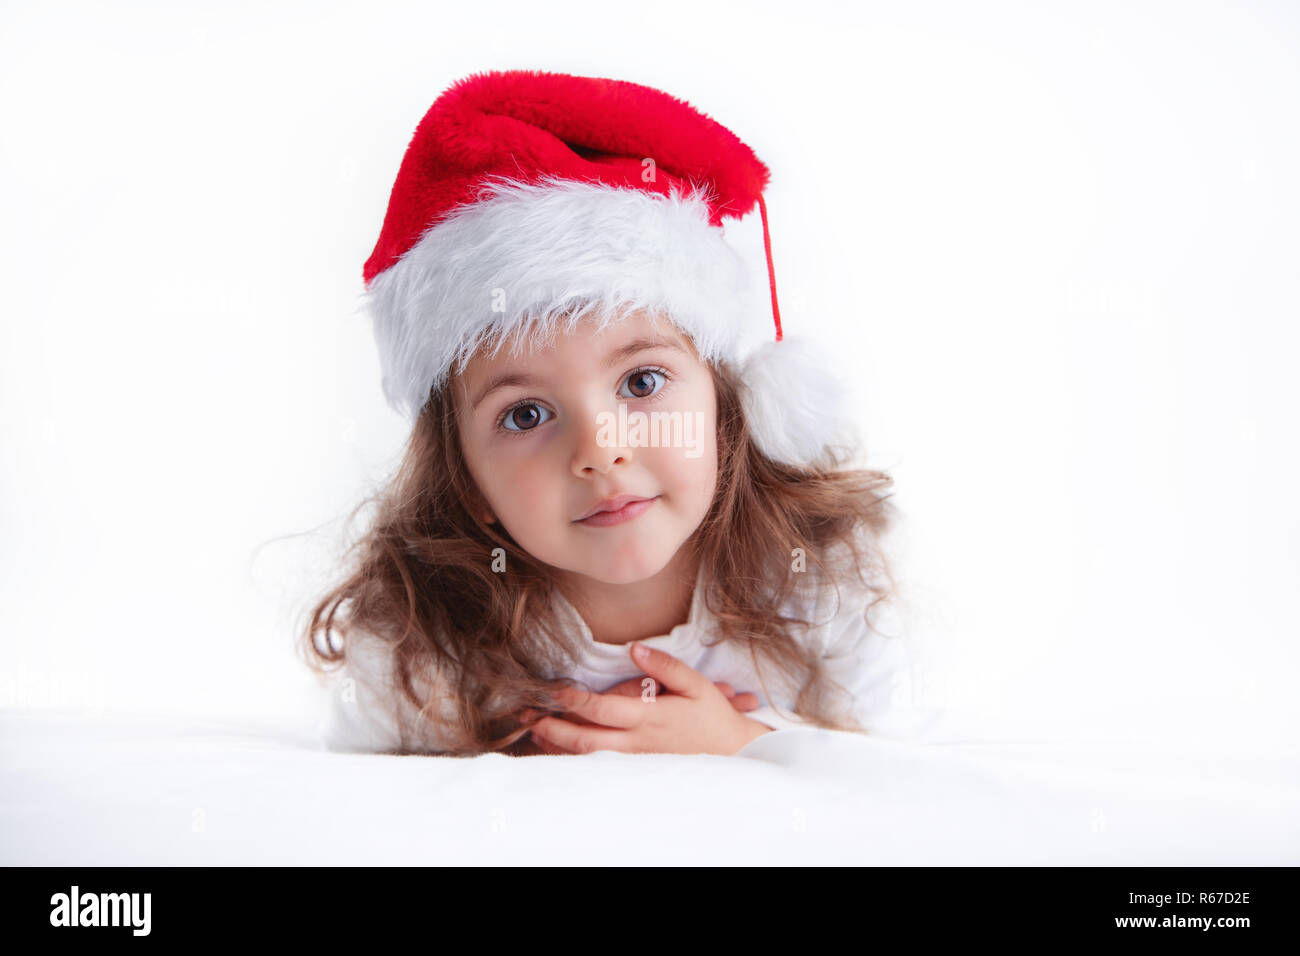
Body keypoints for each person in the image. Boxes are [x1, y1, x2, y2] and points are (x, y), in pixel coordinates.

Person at [299, 69, 933, 757]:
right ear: (467, 481)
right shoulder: (420, 641)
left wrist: (740, 742)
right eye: (526, 414)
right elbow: (356, 798)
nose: (601, 450)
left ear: (727, 409)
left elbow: (891, 768)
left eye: (641, 381)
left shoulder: (819, 580)